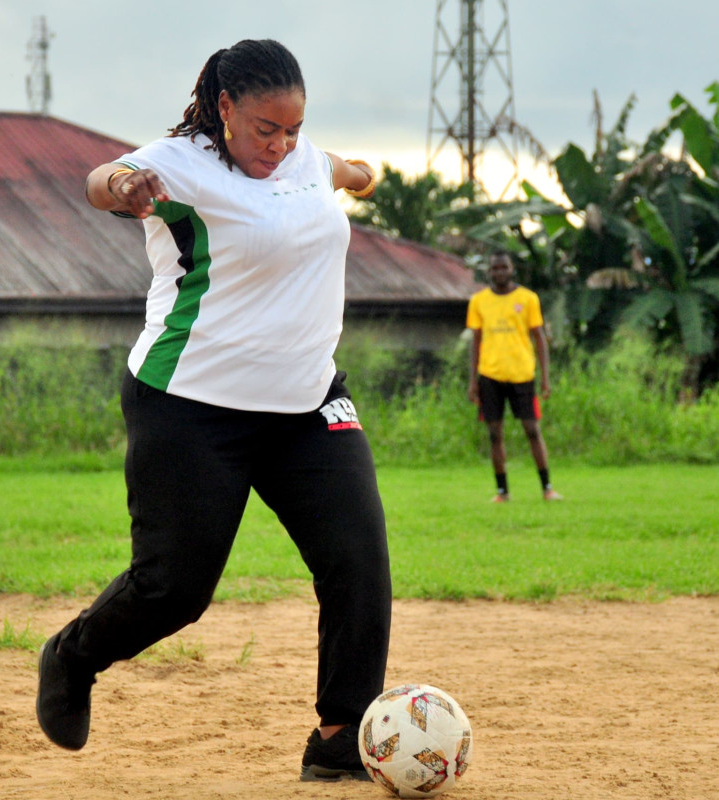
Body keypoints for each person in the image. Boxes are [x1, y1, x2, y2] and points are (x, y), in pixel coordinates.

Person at [34, 39, 390, 784]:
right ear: (226, 108)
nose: (281, 144)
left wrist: (358, 172)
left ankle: (339, 734)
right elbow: (101, 180)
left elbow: (338, 170)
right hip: (191, 406)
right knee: (175, 590)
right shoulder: (178, 163)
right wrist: (126, 184)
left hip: (306, 400)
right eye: (266, 129)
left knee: (358, 561)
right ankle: (74, 656)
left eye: (293, 129)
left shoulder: (300, 155)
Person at [466, 251, 563, 503]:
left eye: (504, 267)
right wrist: (473, 381)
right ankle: (502, 492)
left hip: (522, 374)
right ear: (489, 271)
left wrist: (545, 377)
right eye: (495, 268)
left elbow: (539, 338)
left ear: (512, 270)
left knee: (532, 430)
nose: (499, 272)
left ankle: (547, 488)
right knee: (494, 434)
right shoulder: (479, 301)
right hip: (490, 375)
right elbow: (475, 342)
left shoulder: (528, 299)